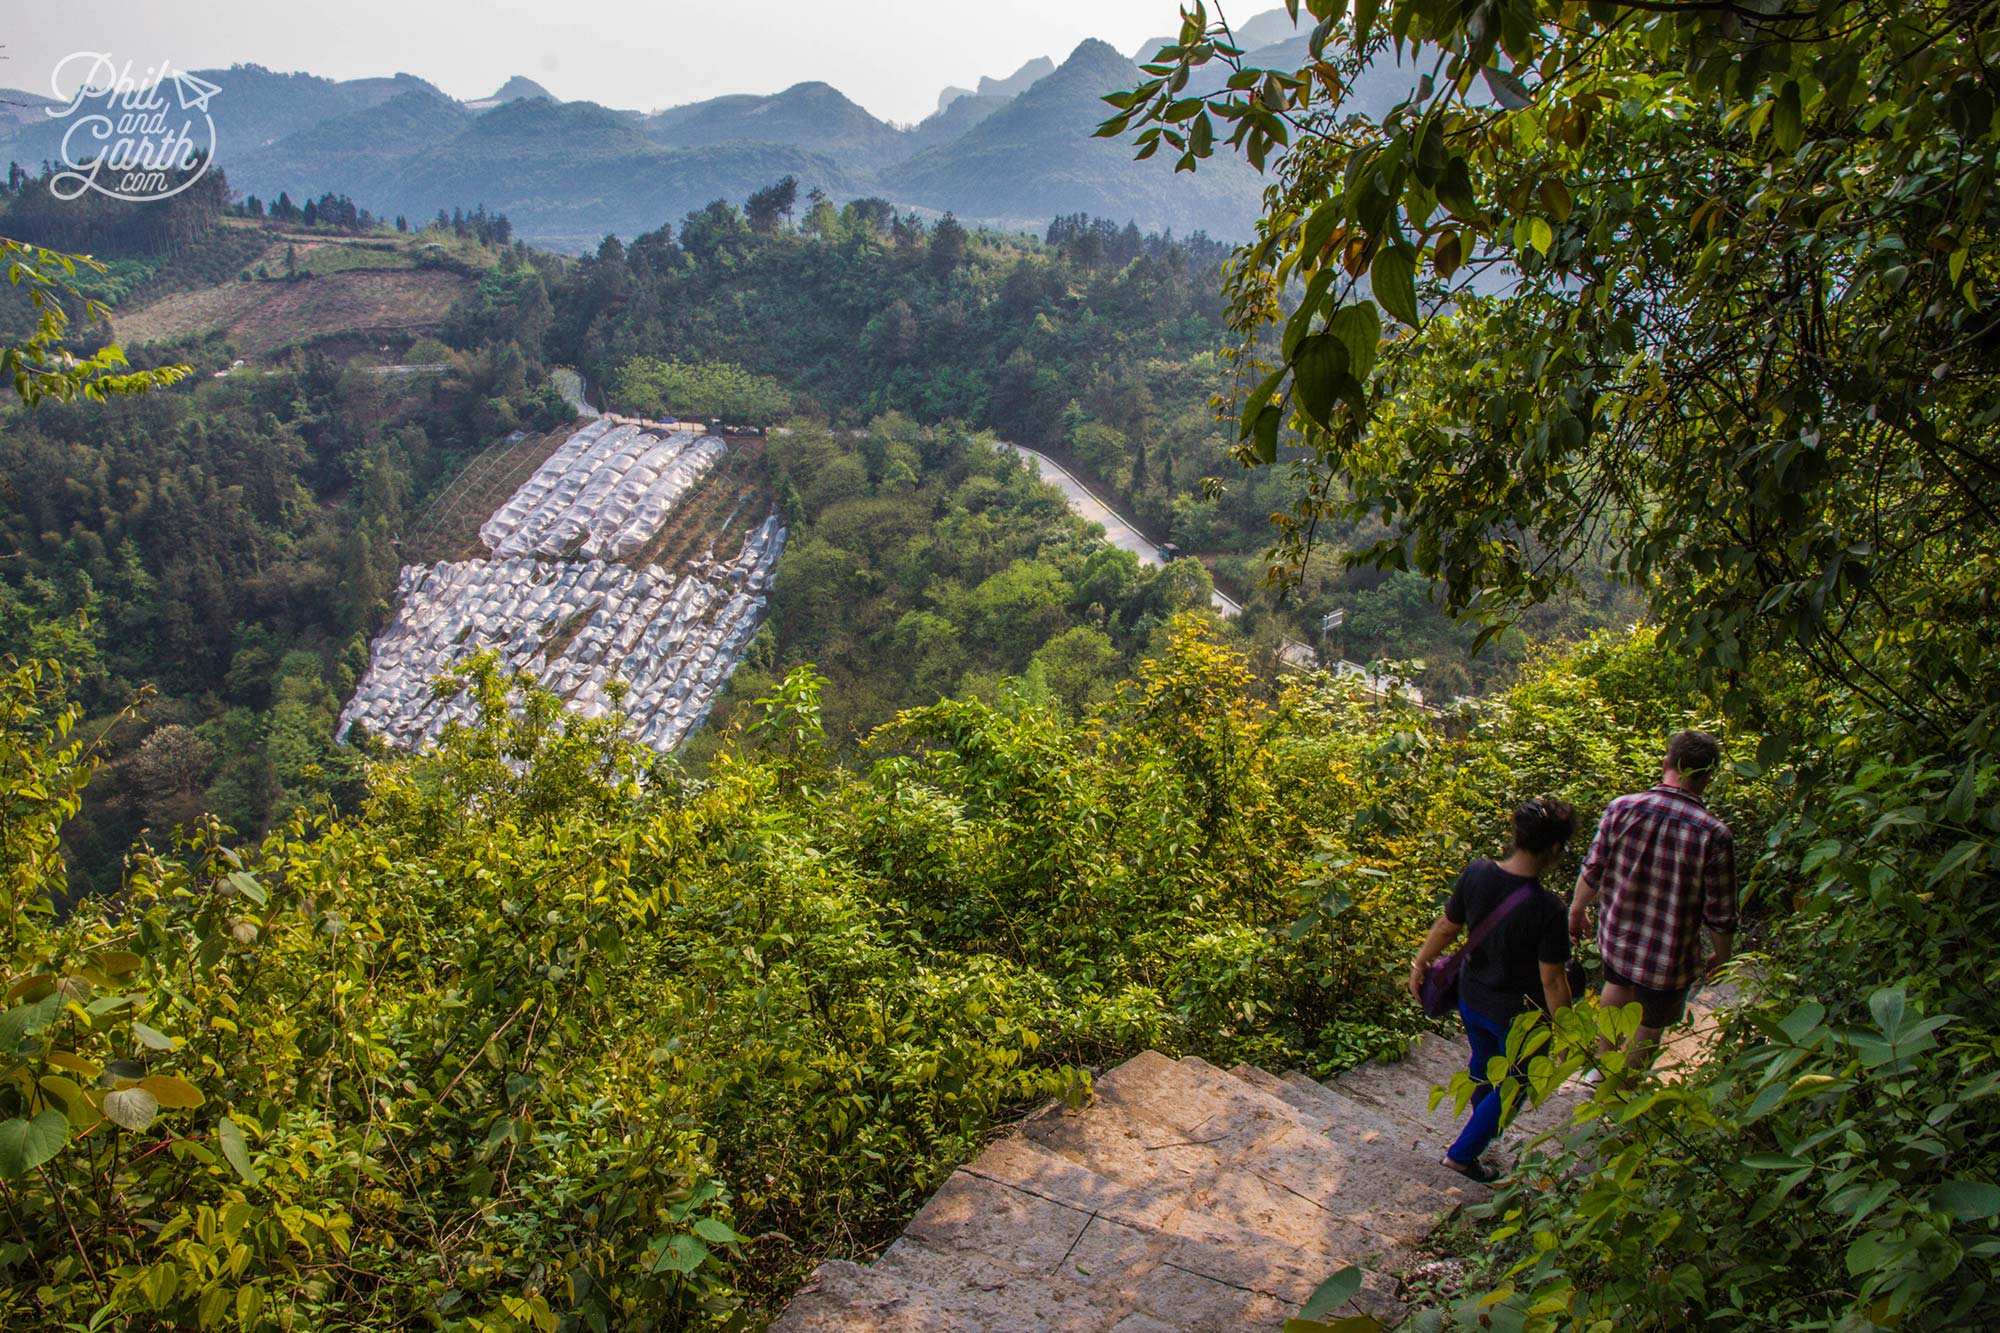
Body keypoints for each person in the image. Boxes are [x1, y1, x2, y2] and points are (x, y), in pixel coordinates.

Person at [1407, 797, 1578, 1183]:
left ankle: (1481, 1127)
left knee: (1484, 1065)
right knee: (1516, 1083)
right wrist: (1568, 1031)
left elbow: (1447, 927)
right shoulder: (1550, 909)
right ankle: (1463, 1155)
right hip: (1517, 1016)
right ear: (1555, 849)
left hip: (1471, 997)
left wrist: (1421, 964)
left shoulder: (1478, 873)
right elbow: (1552, 979)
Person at [1568, 730, 1737, 1076]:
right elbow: (1720, 911)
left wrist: (1576, 908)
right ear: (1707, 777)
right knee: (1651, 1021)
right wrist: (1723, 954)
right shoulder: (1714, 834)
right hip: (1670, 954)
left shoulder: (1623, 808)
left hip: (1619, 935)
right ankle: (1619, 1090)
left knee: (1616, 985)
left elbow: (1593, 869)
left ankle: (1601, 1068)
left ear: (1666, 764)